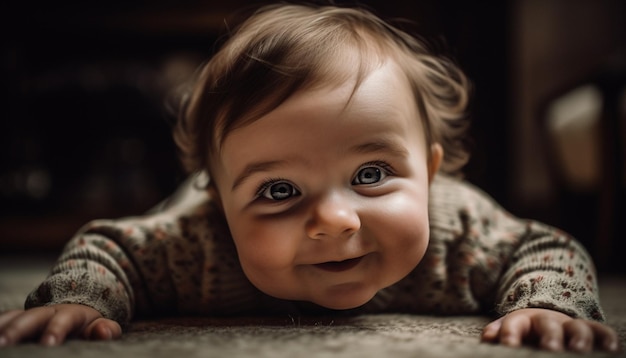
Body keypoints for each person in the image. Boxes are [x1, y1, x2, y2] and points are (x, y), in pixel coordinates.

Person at [0, 2, 619, 353]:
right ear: (222, 206)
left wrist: (545, 301)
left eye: (372, 174)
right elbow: (109, 248)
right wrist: (81, 297)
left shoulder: (461, 231)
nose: (335, 220)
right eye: (280, 191)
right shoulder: (195, 245)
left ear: (429, 175)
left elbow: (547, 248)